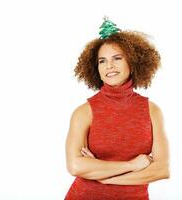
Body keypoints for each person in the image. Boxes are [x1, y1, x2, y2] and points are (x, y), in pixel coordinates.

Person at [64, 17, 170, 200]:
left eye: (117, 58)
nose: (109, 66)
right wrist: (133, 165)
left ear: (133, 62)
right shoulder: (84, 112)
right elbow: (75, 166)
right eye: (102, 61)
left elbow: (162, 169)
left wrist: (103, 176)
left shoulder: (152, 111)